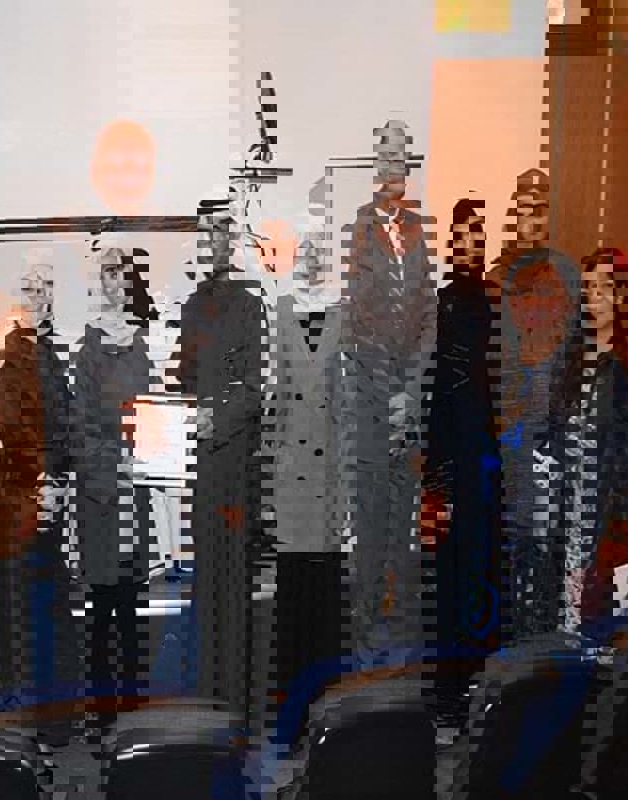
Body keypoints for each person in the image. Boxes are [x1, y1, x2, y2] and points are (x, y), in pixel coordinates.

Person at [340, 121, 437, 670]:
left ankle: (401, 653)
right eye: (386, 158)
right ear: (376, 167)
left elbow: (428, 316)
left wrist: (412, 390)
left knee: (405, 531)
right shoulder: (359, 229)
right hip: (372, 405)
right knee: (372, 529)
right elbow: (359, 322)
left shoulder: (420, 229)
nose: (394, 167)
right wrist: (390, 394)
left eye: (402, 158)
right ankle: (364, 649)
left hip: (409, 408)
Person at [177, 201, 268, 719]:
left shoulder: (249, 306)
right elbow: (185, 382)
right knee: (204, 584)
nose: (210, 240)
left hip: (235, 465)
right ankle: (206, 706)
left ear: (231, 241)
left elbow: (256, 387)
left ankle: (236, 710)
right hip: (201, 466)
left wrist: (219, 418)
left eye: (219, 231)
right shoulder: (191, 307)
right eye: (204, 231)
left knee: (234, 585)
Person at [264, 207, 348, 741]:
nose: (314, 257)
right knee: (291, 603)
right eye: (307, 249)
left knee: (326, 606)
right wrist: (270, 480)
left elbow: (349, 405)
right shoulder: (282, 311)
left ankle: (327, 720)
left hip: (329, 482)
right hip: (292, 481)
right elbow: (274, 403)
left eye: (322, 248)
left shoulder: (343, 314)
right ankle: (290, 718)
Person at [495, 170, 586, 641]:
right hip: (503, 428)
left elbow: (575, 348)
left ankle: (539, 647)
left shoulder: (564, 275)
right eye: (524, 208)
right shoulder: (497, 276)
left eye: (540, 208)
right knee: (504, 550)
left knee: (545, 547)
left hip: (549, 429)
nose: (532, 218)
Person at [426, 199, 502, 715]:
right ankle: (448, 692)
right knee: (447, 577)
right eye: (460, 235)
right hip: (449, 457)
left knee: (481, 573)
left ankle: (480, 689)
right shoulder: (442, 303)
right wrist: (437, 480)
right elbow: (435, 394)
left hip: (487, 460)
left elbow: (498, 388)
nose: (468, 242)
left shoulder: (494, 303)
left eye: (476, 234)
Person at [75, 246, 156, 724]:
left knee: (133, 605)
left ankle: (134, 713)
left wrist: (147, 458)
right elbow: (80, 427)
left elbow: (161, 412)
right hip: (101, 494)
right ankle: (103, 715)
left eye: (123, 274)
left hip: (138, 490)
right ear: (100, 284)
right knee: (102, 607)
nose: (116, 283)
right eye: (108, 274)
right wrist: (114, 462)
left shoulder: (148, 343)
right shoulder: (88, 347)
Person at [0, 257, 74, 711]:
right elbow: (14, 429)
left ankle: (40, 711)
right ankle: (25, 714)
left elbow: (63, 425)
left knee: (42, 608)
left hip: (44, 498)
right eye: (29, 288)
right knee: (24, 609)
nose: (37, 296)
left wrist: (56, 478)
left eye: (44, 288)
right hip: (24, 501)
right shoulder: (14, 358)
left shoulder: (48, 353)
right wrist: (45, 479)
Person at [566, 249, 628, 632]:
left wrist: (611, 503)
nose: (593, 297)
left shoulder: (623, 372)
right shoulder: (571, 363)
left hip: (598, 518)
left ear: (619, 296)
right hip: (563, 512)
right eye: (587, 288)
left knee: (592, 621)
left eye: (602, 287)